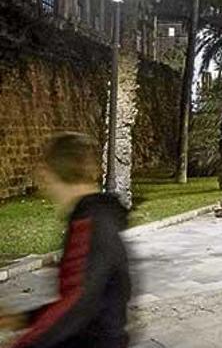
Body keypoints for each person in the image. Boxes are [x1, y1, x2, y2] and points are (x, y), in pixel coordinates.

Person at [0, 133, 131, 348]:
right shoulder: (97, 215)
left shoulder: (91, 223)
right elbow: (82, 297)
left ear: (49, 173)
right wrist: (22, 319)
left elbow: (76, 304)